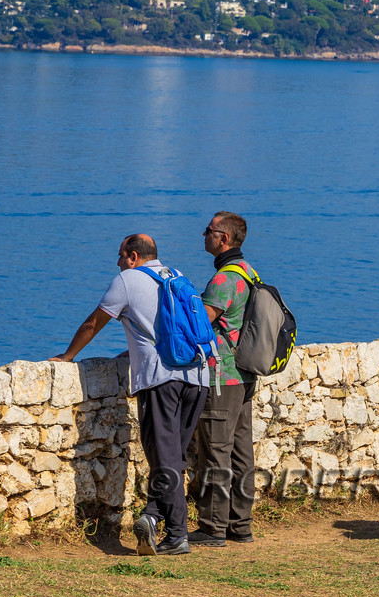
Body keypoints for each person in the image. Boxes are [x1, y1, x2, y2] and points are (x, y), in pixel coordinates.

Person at [51, 234, 209, 556]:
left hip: (161, 378)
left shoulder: (127, 280)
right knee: (173, 457)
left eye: (121, 256)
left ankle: (177, 535)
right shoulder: (176, 276)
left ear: (133, 256)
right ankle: (152, 517)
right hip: (199, 375)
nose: (118, 263)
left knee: (164, 457)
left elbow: (94, 323)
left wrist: (67, 356)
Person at [187, 211, 258, 547]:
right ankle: (239, 525)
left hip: (221, 377)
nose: (204, 234)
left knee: (215, 450)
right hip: (244, 374)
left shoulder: (222, 281)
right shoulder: (249, 272)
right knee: (242, 452)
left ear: (224, 239)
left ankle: (212, 527)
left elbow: (199, 325)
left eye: (209, 231)